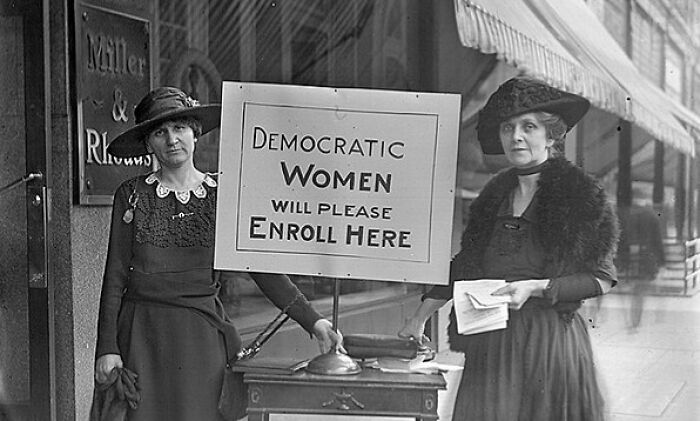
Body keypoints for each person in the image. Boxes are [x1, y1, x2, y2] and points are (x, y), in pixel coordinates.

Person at [94, 87, 342, 420]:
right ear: (148, 143)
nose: (172, 139)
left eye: (180, 128)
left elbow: (261, 268)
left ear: (195, 134)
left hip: (201, 340)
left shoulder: (221, 196)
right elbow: (114, 277)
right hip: (142, 338)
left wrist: (314, 321)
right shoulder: (132, 195)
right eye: (160, 132)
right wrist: (107, 348)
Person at [399, 76, 619, 421]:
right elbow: (466, 266)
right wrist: (418, 317)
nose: (515, 136)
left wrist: (535, 288)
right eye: (507, 128)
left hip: (549, 345)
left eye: (528, 127)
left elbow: (602, 278)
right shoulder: (493, 195)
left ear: (551, 135)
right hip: (492, 344)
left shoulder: (579, 194)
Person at [617, 191, 666, 330]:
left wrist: (621, 260)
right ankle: (638, 320)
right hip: (646, 259)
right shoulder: (652, 216)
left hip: (632, 258)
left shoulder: (628, 216)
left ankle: (634, 320)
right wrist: (662, 262)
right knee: (640, 290)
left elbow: (623, 239)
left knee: (636, 290)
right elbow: (657, 241)